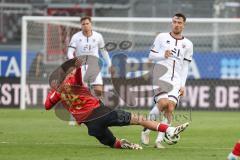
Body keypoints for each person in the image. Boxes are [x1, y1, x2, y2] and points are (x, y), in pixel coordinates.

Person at [45, 65, 189, 150]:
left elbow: (47, 106)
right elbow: (78, 75)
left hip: (92, 127)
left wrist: (55, 93)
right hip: (101, 113)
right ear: (67, 76)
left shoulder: (56, 93)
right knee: (139, 119)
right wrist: (77, 65)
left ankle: (127, 145)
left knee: (112, 143)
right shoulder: (74, 81)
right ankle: (169, 130)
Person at [141, 13, 193, 148]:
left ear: (184, 24)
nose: (177, 24)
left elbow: (186, 66)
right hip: (161, 76)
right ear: (172, 23)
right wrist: (161, 55)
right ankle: (146, 129)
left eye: (179, 22)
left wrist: (183, 85)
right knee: (163, 102)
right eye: (174, 22)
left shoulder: (188, 44)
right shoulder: (161, 37)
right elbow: (151, 55)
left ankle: (159, 140)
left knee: (170, 107)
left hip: (176, 80)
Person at [67, 16, 112, 126]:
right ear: (81, 25)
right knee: (79, 93)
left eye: (87, 23)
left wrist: (110, 64)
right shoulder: (76, 37)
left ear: (91, 24)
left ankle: (99, 115)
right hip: (80, 67)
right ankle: (74, 116)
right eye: (83, 24)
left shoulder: (98, 36)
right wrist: (73, 62)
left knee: (98, 91)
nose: (85, 26)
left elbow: (104, 52)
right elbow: (69, 52)